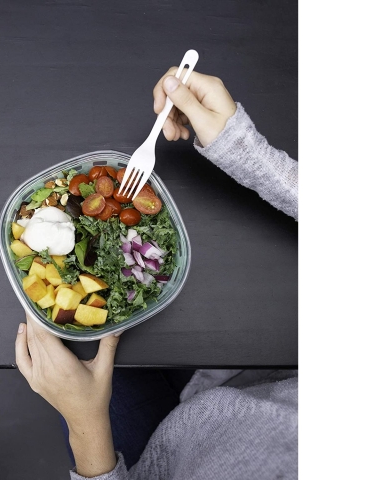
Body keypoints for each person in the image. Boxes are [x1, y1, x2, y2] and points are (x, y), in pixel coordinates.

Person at [15, 68, 298, 479]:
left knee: (77, 356)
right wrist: (244, 149)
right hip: (249, 373)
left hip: (153, 459)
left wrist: (86, 425)